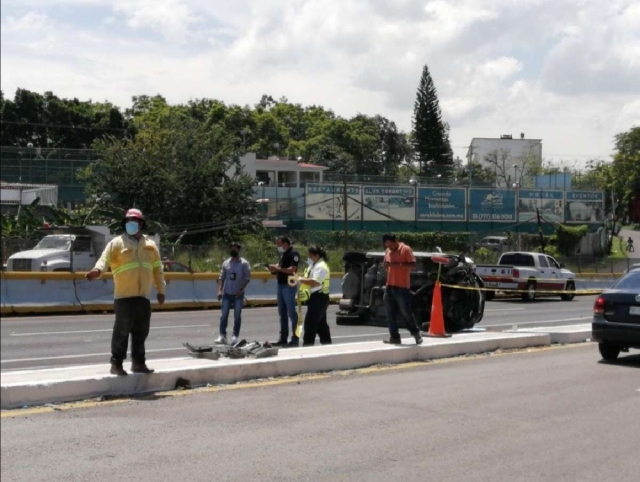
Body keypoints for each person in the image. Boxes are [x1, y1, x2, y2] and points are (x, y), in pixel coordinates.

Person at [86, 209, 166, 376]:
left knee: (141, 332)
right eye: (128, 221)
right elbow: (104, 259)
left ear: (141, 224)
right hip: (124, 296)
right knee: (121, 332)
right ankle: (116, 364)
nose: (131, 224)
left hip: (143, 296)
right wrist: (97, 270)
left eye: (134, 221)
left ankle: (138, 363)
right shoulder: (117, 243)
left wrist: (161, 290)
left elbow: (158, 270)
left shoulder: (150, 245)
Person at [381, 233, 422, 345]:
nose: (389, 248)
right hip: (389, 286)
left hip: (402, 287)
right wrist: (385, 265)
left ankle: (416, 333)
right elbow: (386, 264)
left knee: (406, 312)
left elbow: (413, 265)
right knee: (390, 314)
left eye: (390, 245)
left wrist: (399, 265)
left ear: (395, 241)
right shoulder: (388, 251)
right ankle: (394, 337)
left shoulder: (406, 249)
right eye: (387, 246)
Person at [215, 241, 251, 345]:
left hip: (238, 294)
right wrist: (219, 291)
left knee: (237, 316)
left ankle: (235, 336)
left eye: (235, 249)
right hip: (227, 293)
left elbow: (247, 278)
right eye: (231, 249)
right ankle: (222, 335)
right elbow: (221, 277)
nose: (233, 251)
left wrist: (241, 290)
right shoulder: (226, 263)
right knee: (223, 315)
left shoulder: (244, 263)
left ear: (238, 250)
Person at [268, 236, 300, 347]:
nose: (278, 246)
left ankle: (295, 338)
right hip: (281, 285)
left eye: (279, 244)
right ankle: (283, 338)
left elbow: (292, 269)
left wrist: (278, 269)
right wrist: (274, 267)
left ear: (285, 243)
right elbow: (281, 265)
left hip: (288, 285)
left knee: (291, 312)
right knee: (282, 313)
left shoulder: (293, 253)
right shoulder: (284, 254)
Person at [298, 246, 332, 347]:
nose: (309, 257)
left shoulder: (321, 267)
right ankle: (328, 347)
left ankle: (307, 348)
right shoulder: (314, 265)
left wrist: (299, 279)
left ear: (317, 255)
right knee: (321, 326)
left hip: (319, 298)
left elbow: (315, 282)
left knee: (310, 325)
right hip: (315, 298)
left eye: (310, 255)